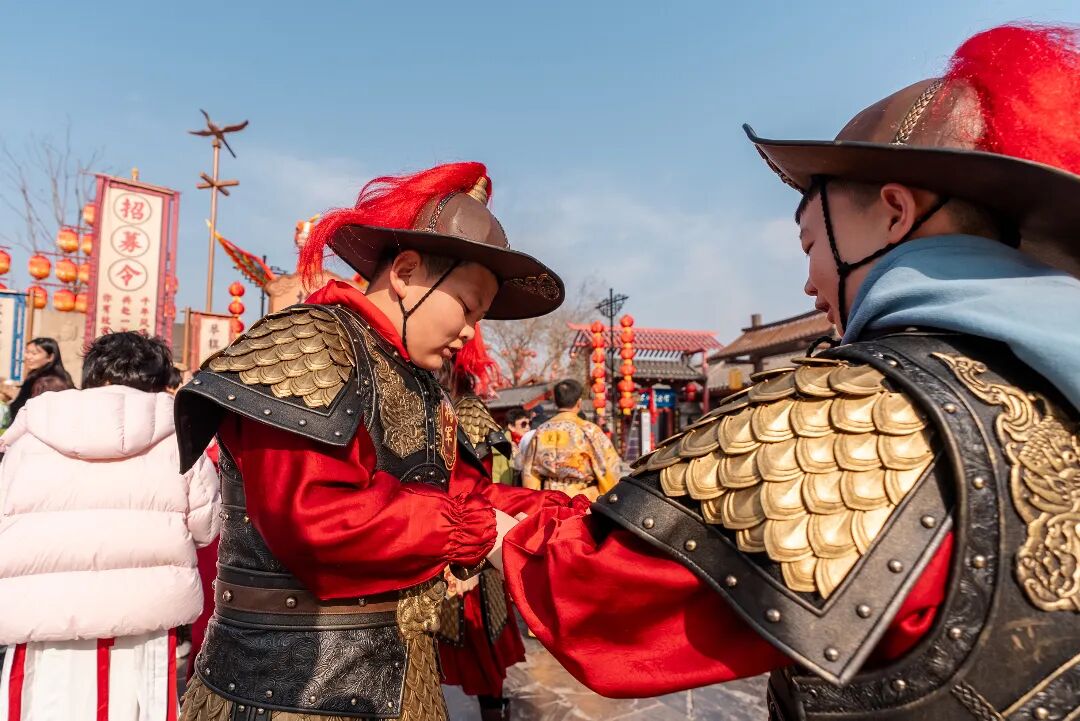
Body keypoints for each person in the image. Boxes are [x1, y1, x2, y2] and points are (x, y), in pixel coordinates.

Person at [497, 23, 1080, 720]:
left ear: (894, 212)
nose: (808, 283)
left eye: (809, 244)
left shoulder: (867, 407)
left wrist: (494, 531)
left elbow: (601, 599)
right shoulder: (1054, 389)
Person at [174, 162, 571, 720]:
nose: (469, 333)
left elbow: (456, 491)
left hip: (404, 679)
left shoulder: (418, 382)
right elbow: (315, 519)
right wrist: (474, 531)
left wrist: (558, 516)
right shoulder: (310, 344)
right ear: (405, 272)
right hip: (289, 694)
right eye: (466, 308)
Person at [0, 331, 220, 720]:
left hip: (46, 606)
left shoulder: (31, 432)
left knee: (44, 702)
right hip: (144, 610)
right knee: (133, 705)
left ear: (92, 373)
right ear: (158, 379)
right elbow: (206, 527)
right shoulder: (180, 436)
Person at [438, 327, 526, 721]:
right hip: (439, 534)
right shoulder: (436, 404)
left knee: (479, 634)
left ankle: (492, 710)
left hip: (473, 540)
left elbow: (491, 485)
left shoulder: (470, 413)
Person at [520, 378, 622, 500]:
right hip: (583, 499)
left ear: (556, 402)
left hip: (549, 499)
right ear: (579, 402)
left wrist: (534, 499)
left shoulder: (541, 431)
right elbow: (608, 467)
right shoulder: (589, 430)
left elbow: (529, 472)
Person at [3, 337, 75, 424]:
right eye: (27, 352)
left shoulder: (50, 382)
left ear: (50, 357)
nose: (28, 357)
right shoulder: (35, 375)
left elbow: (39, 414)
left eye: (34, 353)